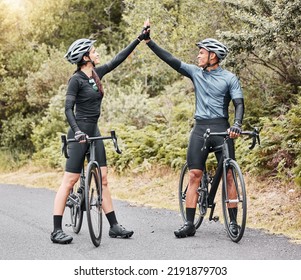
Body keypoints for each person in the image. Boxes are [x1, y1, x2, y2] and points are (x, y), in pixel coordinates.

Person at [143, 21, 244, 238]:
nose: (198, 56)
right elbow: (171, 60)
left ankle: (233, 223)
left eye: (201, 53)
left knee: (229, 175)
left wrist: (237, 124)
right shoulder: (195, 72)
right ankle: (189, 224)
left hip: (222, 128)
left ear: (213, 56)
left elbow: (239, 104)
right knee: (194, 175)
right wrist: (149, 41)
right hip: (200, 129)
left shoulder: (230, 78)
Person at [51, 24, 150, 244]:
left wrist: (139, 39)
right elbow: (68, 109)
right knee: (70, 180)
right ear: (85, 57)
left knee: (103, 179)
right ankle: (56, 229)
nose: (97, 53)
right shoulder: (75, 80)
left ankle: (113, 226)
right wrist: (76, 132)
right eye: (94, 51)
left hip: (94, 131)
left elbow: (118, 59)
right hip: (79, 132)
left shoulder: (96, 74)